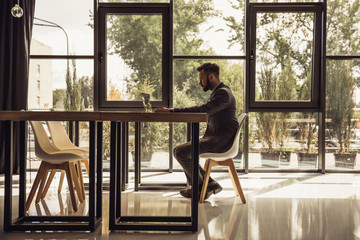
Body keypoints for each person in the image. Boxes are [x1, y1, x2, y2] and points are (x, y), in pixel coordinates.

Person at [156, 62, 239, 200]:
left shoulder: (223, 93)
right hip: (217, 138)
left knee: (181, 152)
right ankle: (208, 184)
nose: (200, 83)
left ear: (211, 76)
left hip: (221, 142)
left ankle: (201, 187)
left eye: (202, 79)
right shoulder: (219, 91)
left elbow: (203, 110)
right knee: (181, 151)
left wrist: (172, 111)